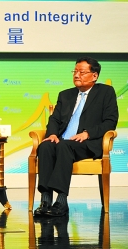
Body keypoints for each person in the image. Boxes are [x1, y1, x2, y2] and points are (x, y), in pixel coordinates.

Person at [34, 57, 118, 217]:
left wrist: (88, 133)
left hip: (87, 143)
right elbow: (55, 119)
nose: (76, 75)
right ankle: (45, 200)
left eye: (82, 72)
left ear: (94, 76)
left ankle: (61, 201)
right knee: (45, 146)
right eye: (75, 71)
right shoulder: (65, 95)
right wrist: (52, 134)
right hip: (62, 141)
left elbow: (110, 121)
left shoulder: (105, 92)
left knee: (65, 146)